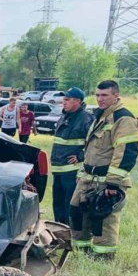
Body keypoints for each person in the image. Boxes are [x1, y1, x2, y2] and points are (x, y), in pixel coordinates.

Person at [70, 79, 138, 259]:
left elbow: (126, 152)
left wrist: (113, 183)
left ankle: (103, 258)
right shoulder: (100, 116)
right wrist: (82, 172)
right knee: (76, 211)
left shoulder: (123, 118)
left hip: (107, 181)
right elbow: (91, 149)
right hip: (88, 178)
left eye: (105, 95)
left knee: (103, 219)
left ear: (116, 96)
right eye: (97, 95)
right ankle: (81, 252)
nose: (100, 99)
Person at [50, 87, 94, 225]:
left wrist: (80, 156)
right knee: (58, 204)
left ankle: (71, 234)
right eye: (63, 99)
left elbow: (94, 143)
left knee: (70, 205)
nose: (64, 102)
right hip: (58, 170)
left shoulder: (87, 119)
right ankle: (58, 231)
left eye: (67, 100)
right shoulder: (64, 116)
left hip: (72, 171)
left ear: (78, 101)